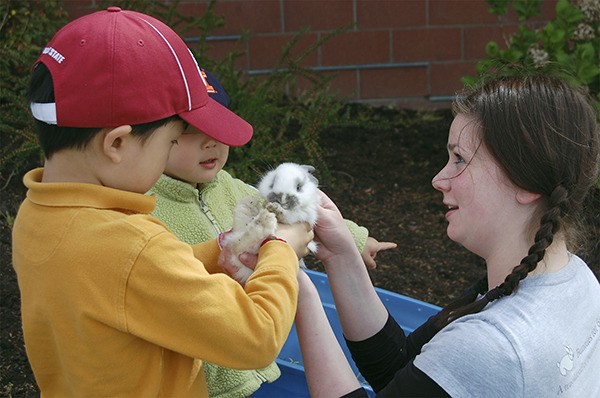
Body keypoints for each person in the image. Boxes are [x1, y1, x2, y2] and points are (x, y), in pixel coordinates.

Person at [11, 7, 314, 397]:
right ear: (117, 143)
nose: (172, 151)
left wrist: (221, 250)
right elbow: (256, 337)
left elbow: (128, 285)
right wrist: (281, 250)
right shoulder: (132, 248)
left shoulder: (38, 215)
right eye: (172, 141)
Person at [296, 74, 600, 397]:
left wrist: (298, 288)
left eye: (460, 159)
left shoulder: (493, 347)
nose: (439, 179)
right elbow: (403, 372)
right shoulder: (577, 282)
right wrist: (341, 255)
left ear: (524, 183)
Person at [147, 69, 397, 397]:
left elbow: (287, 209)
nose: (212, 141)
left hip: (256, 364)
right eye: (191, 131)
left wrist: (357, 240)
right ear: (152, 136)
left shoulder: (227, 187)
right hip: (202, 380)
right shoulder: (146, 205)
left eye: (219, 127)